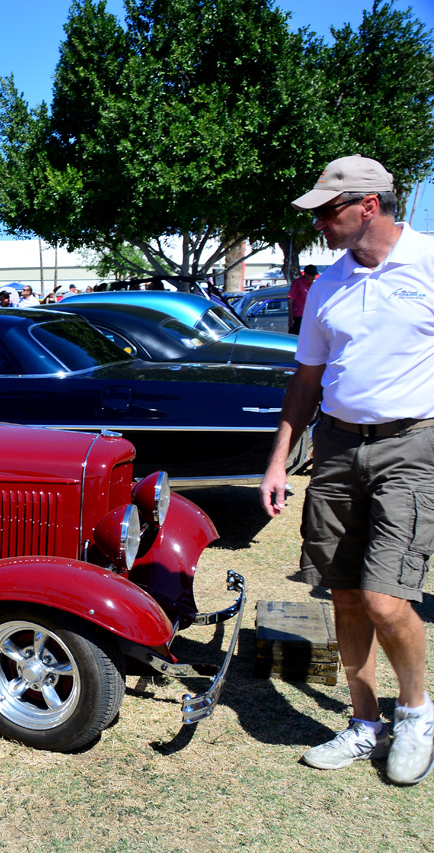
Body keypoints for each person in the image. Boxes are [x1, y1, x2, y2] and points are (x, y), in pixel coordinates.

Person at [260, 155, 434, 785]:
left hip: (412, 445)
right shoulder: (329, 284)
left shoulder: (428, 260)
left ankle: (415, 713)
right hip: (335, 446)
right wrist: (279, 461)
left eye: (329, 211)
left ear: (368, 205)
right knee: (344, 594)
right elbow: (306, 379)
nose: (321, 225)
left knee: (387, 600)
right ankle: (366, 723)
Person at [288, 264, 319, 334]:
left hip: (308, 316)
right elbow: (290, 300)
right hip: (298, 317)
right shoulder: (298, 282)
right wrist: (290, 319)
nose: (313, 277)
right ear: (306, 274)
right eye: (312, 275)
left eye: (314, 275)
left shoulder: (313, 285)